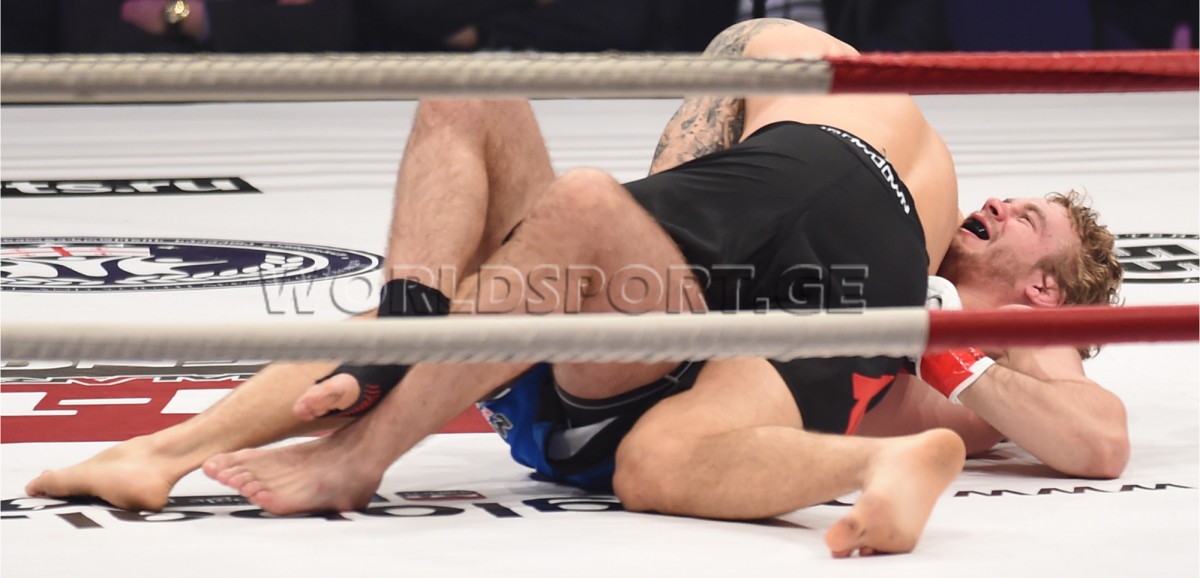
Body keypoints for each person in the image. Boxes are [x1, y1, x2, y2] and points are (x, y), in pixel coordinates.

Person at [25, 19, 1126, 558]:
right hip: (781, 279)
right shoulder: (925, 310)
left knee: (572, 219)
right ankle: (170, 449)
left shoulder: (830, 92)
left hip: (809, 198)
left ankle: (346, 445)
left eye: (1033, 221)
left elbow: (1097, 437)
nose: (1006, 204)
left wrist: (952, 347)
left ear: (1047, 291)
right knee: (482, 117)